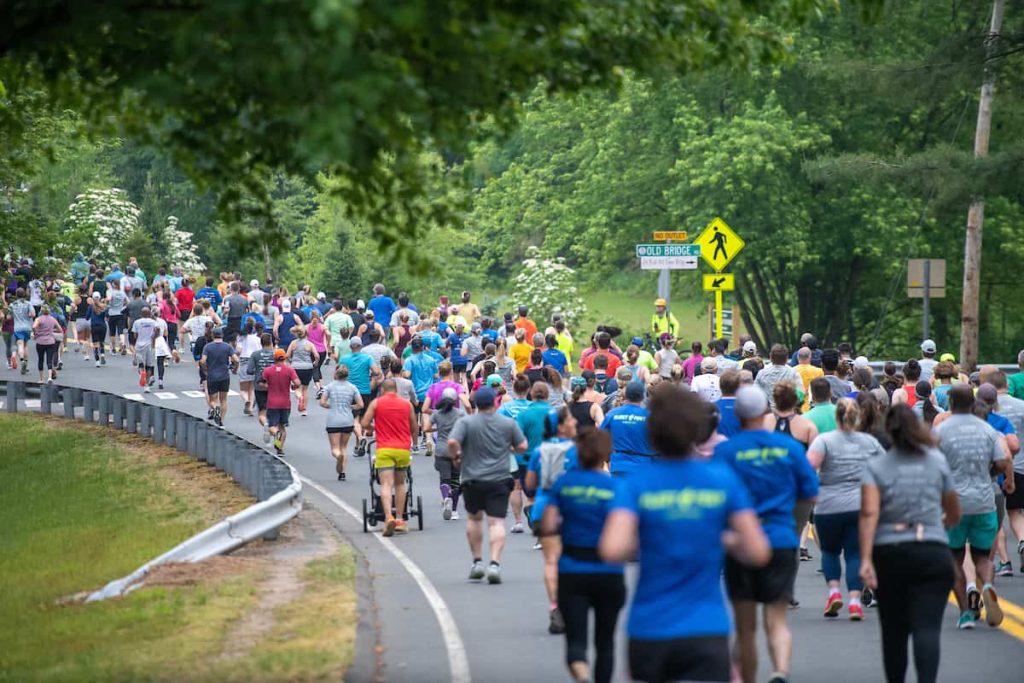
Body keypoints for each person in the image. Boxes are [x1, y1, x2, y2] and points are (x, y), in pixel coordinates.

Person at [601, 385, 770, 683]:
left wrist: (653, 535)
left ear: (652, 433)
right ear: (698, 430)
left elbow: (613, 549)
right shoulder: (723, 480)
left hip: (649, 627)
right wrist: (718, 537)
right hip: (707, 627)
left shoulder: (636, 484)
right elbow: (757, 551)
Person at [714, 387, 818, 683]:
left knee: (745, 627)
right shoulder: (790, 449)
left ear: (738, 414)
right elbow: (810, 492)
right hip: (781, 538)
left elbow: (714, 497)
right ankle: (780, 671)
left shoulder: (726, 451)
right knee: (777, 618)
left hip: (741, 544)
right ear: (764, 413)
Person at [859, 404, 960, 683]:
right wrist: (939, 526)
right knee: (927, 628)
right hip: (931, 550)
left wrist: (866, 559)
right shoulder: (936, 461)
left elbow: (869, 513)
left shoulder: (876, 466)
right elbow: (953, 510)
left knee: (894, 631)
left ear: (888, 433)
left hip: (890, 553)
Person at [539, 428, 622, 683]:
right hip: (608, 571)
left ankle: (581, 673)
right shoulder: (615, 486)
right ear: (604, 455)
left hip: (573, 569)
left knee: (575, 639)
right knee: (605, 642)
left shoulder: (565, 483)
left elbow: (548, 524)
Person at [935, 384, 1012, 629]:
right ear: (973, 402)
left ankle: (966, 613)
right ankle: (987, 585)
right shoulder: (988, 430)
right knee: (982, 556)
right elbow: (1002, 461)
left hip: (953, 503)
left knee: (954, 558)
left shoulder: (941, 430)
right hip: (984, 500)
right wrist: (990, 473)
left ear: (951, 403)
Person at [805, 398, 884, 620]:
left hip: (828, 504)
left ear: (836, 417)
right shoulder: (869, 442)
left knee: (830, 551)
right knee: (855, 554)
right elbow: (886, 469)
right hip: (860, 505)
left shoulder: (824, 441)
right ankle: (856, 602)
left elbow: (808, 468)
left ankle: (833, 592)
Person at [448, 386, 527, 584]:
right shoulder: (507, 423)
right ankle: (494, 563)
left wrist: (456, 459)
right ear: (494, 402)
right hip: (499, 478)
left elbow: (451, 442)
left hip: (472, 478)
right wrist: (509, 450)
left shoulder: (466, 422)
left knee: (474, 520)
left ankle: (477, 562)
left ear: (476, 404)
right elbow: (523, 446)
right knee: (497, 523)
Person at [524, 405, 579, 635]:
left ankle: (555, 606)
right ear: (562, 425)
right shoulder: (576, 451)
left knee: (551, 561)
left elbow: (529, 486)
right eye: (571, 420)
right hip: (570, 511)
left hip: (544, 511)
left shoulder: (540, 451)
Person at [361, 379, 418, 537]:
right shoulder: (407, 405)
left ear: (383, 390)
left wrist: (374, 428)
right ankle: (400, 519)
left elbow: (364, 422)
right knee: (400, 484)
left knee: (386, 484)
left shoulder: (376, 403)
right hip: (402, 449)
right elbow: (414, 427)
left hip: (385, 448)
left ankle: (388, 517)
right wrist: (413, 442)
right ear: (396, 390)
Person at [990, 371, 1024, 573]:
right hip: (1021, 466)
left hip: (997, 469)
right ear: (1007, 385)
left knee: (996, 518)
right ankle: (1022, 539)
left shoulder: (988, 411)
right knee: (1016, 512)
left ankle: (1004, 561)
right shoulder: (1022, 406)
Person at [424, 386, 466, 520]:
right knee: (455, 480)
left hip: (441, 449)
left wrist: (437, 429)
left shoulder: (437, 414)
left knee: (444, 478)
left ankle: (445, 497)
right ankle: (454, 510)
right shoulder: (460, 414)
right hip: (456, 449)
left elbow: (426, 428)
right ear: (455, 400)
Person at [339, 337, 383, 456]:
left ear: (350, 347)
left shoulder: (344, 359)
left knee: (353, 419)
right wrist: (372, 375)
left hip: (349, 390)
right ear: (361, 346)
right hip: (365, 390)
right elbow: (376, 372)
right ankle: (359, 446)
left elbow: (338, 373)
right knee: (362, 418)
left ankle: (360, 438)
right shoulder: (367, 358)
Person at [600, 381, 653, 476]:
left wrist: (606, 459)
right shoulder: (649, 416)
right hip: (643, 466)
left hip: (618, 465)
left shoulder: (612, 414)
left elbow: (599, 437)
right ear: (642, 396)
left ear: (626, 395)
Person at [264, 348, 300, 454]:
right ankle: (279, 448)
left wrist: (268, 386)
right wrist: (293, 387)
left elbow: (262, 384)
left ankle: (276, 435)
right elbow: (297, 383)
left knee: (272, 426)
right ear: (284, 358)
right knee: (282, 426)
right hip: (285, 403)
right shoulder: (289, 370)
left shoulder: (268, 370)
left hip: (272, 402)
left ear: (274, 358)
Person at [200, 327, 239, 425]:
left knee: (213, 399)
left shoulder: (208, 347)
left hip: (212, 375)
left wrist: (205, 369)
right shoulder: (227, 347)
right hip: (224, 375)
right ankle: (221, 421)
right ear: (222, 335)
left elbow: (203, 360)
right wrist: (234, 369)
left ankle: (214, 407)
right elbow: (236, 359)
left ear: (213, 335)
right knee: (224, 399)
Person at [286, 325, 319, 417]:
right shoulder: (309, 344)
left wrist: (291, 361)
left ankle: (299, 397)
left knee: (296, 387)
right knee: (305, 388)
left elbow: (287, 355)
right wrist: (315, 362)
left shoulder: (293, 343)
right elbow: (316, 355)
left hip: (296, 367)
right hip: (307, 367)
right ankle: (304, 409)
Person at [756, 344, 800, 409]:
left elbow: (756, 392)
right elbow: (800, 394)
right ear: (786, 358)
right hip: (788, 409)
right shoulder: (793, 372)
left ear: (770, 357)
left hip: (767, 410)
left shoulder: (762, 373)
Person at [31, 305, 63, 383]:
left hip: (40, 341)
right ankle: (49, 377)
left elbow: (34, 326)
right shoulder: (52, 319)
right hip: (50, 341)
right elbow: (60, 330)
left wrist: (36, 333)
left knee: (40, 359)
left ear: (41, 311)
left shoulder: (39, 319)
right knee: (49, 360)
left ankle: (41, 378)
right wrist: (52, 330)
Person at [9, 288, 34, 374]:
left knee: (20, 345)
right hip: (27, 327)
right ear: (24, 294)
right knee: (26, 345)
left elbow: (9, 316)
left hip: (18, 327)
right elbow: (33, 314)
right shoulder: (28, 303)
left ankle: (22, 360)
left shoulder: (12, 304)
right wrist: (28, 316)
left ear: (16, 295)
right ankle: (25, 364)